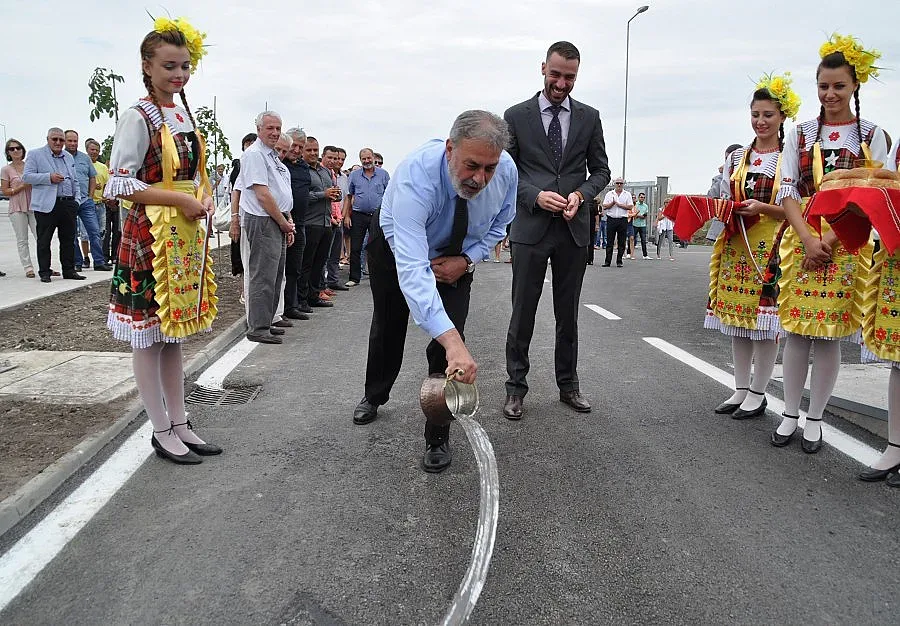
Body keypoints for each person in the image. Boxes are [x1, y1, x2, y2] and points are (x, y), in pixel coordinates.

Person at [351, 110, 517, 473]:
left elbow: (501, 224)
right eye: (472, 165)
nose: (480, 178)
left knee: (447, 346)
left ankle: (437, 435)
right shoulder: (416, 177)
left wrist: (468, 259)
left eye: (489, 168)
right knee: (389, 324)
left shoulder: (506, 171)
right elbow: (412, 270)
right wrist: (454, 343)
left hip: (457, 255)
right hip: (397, 248)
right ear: (449, 149)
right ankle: (374, 394)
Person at [104, 16, 220, 464]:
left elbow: (196, 175)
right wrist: (177, 198)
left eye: (185, 67)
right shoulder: (138, 115)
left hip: (183, 235)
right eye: (170, 66)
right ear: (147, 66)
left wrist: (203, 198)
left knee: (174, 335)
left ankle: (182, 422)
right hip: (149, 234)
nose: (179, 75)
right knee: (149, 339)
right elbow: (117, 183)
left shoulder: (183, 113)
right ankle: (159, 428)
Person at [770, 34, 887, 453]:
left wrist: (831, 238)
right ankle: (788, 413)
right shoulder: (799, 133)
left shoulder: (873, 134)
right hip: (803, 237)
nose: (830, 93)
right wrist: (806, 236)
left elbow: (875, 194)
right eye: (823, 86)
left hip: (847, 241)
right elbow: (787, 188)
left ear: (855, 86)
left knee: (829, 335)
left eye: (839, 85)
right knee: (798, 331)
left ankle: (815, 417)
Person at [503, 41, 611, 420]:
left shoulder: (589, 117)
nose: (562, 83)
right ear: (543, 69)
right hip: (530, 228)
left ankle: (569, 385)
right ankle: (515, 388)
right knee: (523, 312)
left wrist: (582, 195)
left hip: (572, 230)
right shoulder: (516, 115)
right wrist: (534, 196)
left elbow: (601, 171)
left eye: (570, 77)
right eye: (556, 74)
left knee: (568, 315)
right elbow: (506, 172)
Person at [707, 73, 799, 421]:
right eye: (755, 115)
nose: (760, 122)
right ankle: (740, 387)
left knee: (764, 324)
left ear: (782, 118)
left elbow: (798, 207)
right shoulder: (738, 158)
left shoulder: (787, 157)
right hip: (737, 243)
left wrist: (764, 209)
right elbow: (725, 197)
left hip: (773, 243)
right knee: (738, 320)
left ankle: (759, 392)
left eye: (768, 115)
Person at [238, 116, 295, 344]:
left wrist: (286, 220)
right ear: (258, 129)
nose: (274, 132)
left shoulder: (271, 156)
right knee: (263, 275)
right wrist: (282, 221)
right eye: (270, 128)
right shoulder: (254, 155)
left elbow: (280, 192)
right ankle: (258, 327)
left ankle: (267, 321)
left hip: (277, 219)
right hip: (263, 219)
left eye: (278, 128)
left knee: (275, 274)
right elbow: (262, 194)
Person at [23, 128, 85, 283]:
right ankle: (45, 272)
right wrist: (48, 177)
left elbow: (75, 181)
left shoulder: (69, 157)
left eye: (61, 140)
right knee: (44, 240)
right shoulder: (35, 154)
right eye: (54, 139)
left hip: (68, 204)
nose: (58, 143)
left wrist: (76, 200)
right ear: (48, 139)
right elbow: (27, 177)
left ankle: (69, 270)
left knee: (69, 239)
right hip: (46, 205)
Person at [297, 138, 338, 312]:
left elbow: (331, 193)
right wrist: (323, 194)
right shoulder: (301, 170)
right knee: (306, 264)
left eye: (315, 150)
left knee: (319, 263)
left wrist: (335, 194)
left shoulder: (325, 171)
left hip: (326, 223)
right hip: (310, 223)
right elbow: (302, 196)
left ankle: (315, 295)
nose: (313, 153)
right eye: (309, 150)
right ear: (303, 151)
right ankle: (302, 299)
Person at [344, 147, 390, 287]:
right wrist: (346, 216)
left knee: (380, 247)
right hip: (359, 215)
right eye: (363, 159)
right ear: (360, 160)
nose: (366, 161)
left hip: (378, 215)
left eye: (368, 158)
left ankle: (382, 277)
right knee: (356, 247)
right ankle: (354, 278)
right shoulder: (354, 175)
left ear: (373, 158)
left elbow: (389, 195)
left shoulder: (383, 174)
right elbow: (349, 196)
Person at [66, 129, 110, 271]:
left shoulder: (85, 158)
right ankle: (77, 262)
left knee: (95, 232)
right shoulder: (61, 157)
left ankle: (99, 262)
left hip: (86, 201)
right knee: (71, 234)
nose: (73, 143)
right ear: (65, 141)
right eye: (70, 140)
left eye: (75, 141)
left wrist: (90, 196)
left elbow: (92, 177)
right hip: (69, 202)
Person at [282, 127, 311, 319]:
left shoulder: (303, 167)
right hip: (282, 221)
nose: (297, 150)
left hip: (301, 223)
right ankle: (280, 309)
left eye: (301, 147)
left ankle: (292, 305)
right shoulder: (280, 164)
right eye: (294, 145)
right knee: (281, 268)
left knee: (295, 267)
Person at [228, 132, 256, 304]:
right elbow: (235, 191)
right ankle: (245, 292)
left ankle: (249, 292)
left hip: (254, 218)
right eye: (248, 143)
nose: (251, 146)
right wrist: (235, 219)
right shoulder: (239, 165)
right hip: (242, 217)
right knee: (242, 257)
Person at [1, 139, 36, 277]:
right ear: (8, 152)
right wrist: (21, 187)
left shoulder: (30, 166)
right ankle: (28, 267)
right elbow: (5, 191)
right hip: (17, 207)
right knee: (22, 239)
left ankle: (46, 265)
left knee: (41, 236)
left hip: (33, 205)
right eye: (12, 149)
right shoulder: (6, 170)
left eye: (18, 148)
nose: (15, 151)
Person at [601, 177, 633, 266]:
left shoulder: (627, 194)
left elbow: (630, 206)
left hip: (622, 219)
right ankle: (607, 261)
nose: (619, 185)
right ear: (615, 184)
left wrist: (619, 205)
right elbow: (604, 206)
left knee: (621, 241)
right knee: (610, 241)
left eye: (621, 183)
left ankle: (619, 261)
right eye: (617, 183)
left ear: (623, 184)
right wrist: (612, 203)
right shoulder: (609, 194)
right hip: (611, 219)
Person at [632, 191, 649, 259]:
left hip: (642, 225)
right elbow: (633, 214)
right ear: (639, 197)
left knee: (643, 240)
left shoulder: (645, 206)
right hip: (635, 224)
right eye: (641, 197)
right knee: (632, 239)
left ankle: (645, 255)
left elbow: (645, 216)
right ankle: (629, 253)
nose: (642, 198)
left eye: (644, 198)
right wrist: (639, 215)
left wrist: (638, 215)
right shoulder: (635, 204)